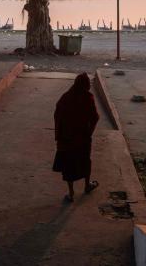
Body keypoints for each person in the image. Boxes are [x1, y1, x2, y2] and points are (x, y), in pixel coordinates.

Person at [52, 72, 99, 202]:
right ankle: (87, 185)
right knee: (85, 161)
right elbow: (95, 117)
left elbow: (57, 116)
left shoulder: (65, 98)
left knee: (68, 166)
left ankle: (71, 193)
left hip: (66, 139)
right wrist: (89, 132)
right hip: (82, 138)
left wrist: (59, 135)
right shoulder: (88, 97)